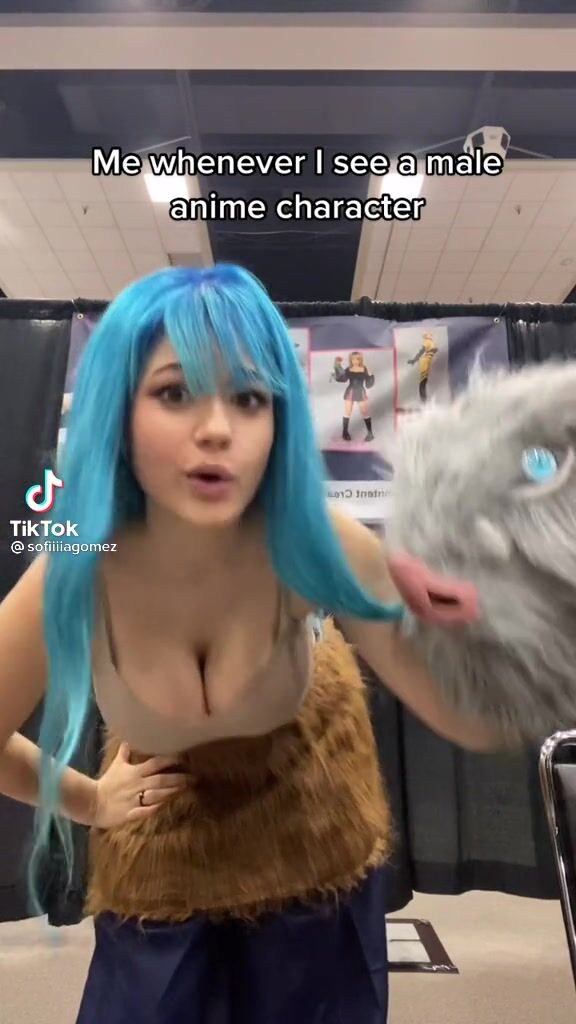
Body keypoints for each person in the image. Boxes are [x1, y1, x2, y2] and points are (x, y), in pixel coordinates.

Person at [0, 265, 508, 1024]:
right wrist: (91, 801)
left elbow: (469, 710)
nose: (218, 429)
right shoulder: (81, 561)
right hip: (163, 843)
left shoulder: (306, 536)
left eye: (248, 397)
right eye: (176, 392)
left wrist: (500, 623)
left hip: (310, 825)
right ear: (118, 410)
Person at [331, 350, 375, 440]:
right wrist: (337, 366)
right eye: (353, 359)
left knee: (365, 412)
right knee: (347, 413)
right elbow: (342, 379)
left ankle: (370, 434)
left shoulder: (364, 369)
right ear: (351, 360)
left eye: (357, 359)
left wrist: (371, 376)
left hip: (360, 392)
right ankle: (345, 433)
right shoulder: (348, 369)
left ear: (360, 359)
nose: (355, 361)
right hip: (350, 392)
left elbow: (368, 385)